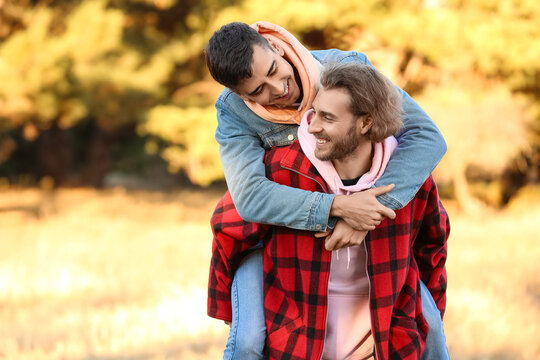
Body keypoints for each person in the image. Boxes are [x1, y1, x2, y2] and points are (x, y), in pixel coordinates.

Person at [205, 21, 447, 359]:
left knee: (430, 328)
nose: (277, 89)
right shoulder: (232, 112)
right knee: (246, 342)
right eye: (257, 90)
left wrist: (369, 210)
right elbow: (250, 197)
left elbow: (426, 136)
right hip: (271, 236)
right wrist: (339, 208)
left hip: (368, 230)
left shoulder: (345, 70)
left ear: (276, 47)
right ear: (239, 95)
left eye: (274, 71)